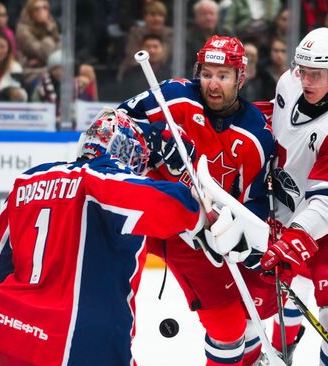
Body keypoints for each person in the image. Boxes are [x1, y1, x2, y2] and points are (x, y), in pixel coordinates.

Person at [0, 108, 247, 366]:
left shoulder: (28, 180)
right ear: (127, 150)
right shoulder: (101, 180)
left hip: (0, 333)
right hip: (77, 345)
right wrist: (197, 198)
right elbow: (168, 204)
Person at [118, 35, 277, 366]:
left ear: (240, 77)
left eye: (223, 75)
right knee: (110, 304)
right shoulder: (174, 95)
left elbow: (254, 205)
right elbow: (115, 126)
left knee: (230, 328)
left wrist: (240, 238)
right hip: (142, 213)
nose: (213, 84)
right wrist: (157, 141)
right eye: (206, 74)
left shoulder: (257, 136)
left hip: (196, 233)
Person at [257, 27, 328, 366]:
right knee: (254, 311)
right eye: (302, 69)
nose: (305, 80)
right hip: (284, 220)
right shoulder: (289, 82)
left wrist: (296, 238)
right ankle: (278, 351)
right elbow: (274, 123)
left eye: (316, 74)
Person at [15, 0, 60, 84]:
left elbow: (59, 50)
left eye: (44, 8)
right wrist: (48, 32)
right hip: (32, 73)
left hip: (51, 70)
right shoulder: (23, 30)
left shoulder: (51, 24)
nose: (41, 12)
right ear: (30, 12)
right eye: (37, 9)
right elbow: (45, 54)